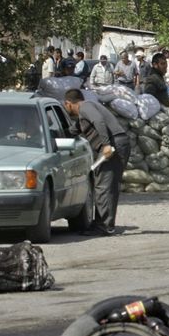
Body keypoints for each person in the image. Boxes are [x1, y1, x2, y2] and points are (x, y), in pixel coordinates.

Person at [63, 89, 130, 236]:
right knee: (106, 185)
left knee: (104, 186)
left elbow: (98, 120)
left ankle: (103, 226)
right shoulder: (83, 114)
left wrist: (106, 144)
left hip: (113, 145)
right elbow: (74, 130)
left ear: (68, 103)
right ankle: (103, 224)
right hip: (117, 143)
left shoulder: (86, 107)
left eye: (65, 106)